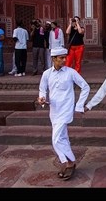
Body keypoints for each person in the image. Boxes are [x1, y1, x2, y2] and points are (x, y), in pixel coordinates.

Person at [37, 47, 90, 181]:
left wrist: (78, 105)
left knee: (55, 138)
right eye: (61, 58)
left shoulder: (71, 72)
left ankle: (69, 162)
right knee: (62, 137)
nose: (64, 60)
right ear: (53, 59)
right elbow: (42, 90)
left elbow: (85, 87)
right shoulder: (47, 74)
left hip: (66, 109)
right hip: (54, 110)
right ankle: (69, 163)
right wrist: (41, 98)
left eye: (65, 57)